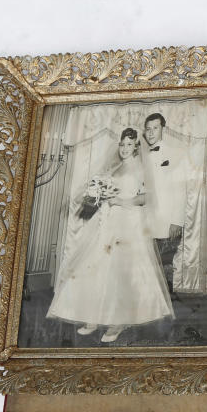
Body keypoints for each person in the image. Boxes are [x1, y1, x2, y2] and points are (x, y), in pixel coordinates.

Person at [46, 127, 172, 343]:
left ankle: (118, 322)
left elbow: (146, 198)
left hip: (129, 223)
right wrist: (98, 195)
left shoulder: (141, 168)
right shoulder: (116, 166)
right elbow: (104, 191)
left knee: (119, 272)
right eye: (122, 144)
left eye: (129, 145)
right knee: (97, 267)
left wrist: (120, 201)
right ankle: (93, 317)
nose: (124, 148)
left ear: (136, 147)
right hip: (108, 220)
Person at [142, 113, 187, 289]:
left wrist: (177, 221)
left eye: (155, 128)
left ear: (163, 129)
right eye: (148, 129)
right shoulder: (140, 155)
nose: (151, 132)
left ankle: (169, 309)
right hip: (144, 221)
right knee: (145, 269)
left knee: (165, 268)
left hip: (166, 221)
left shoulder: (175, 154)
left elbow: (181, 189)